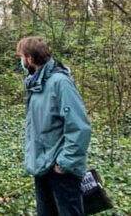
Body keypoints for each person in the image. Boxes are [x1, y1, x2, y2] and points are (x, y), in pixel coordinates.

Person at [17, 36, 92, 216]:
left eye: (21, 56)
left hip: (61, 171)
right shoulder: (37, 84)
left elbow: (80, 127)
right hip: (42, 166)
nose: (20, 61)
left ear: (30, 58)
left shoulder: (60, 82)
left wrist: (63, 164)